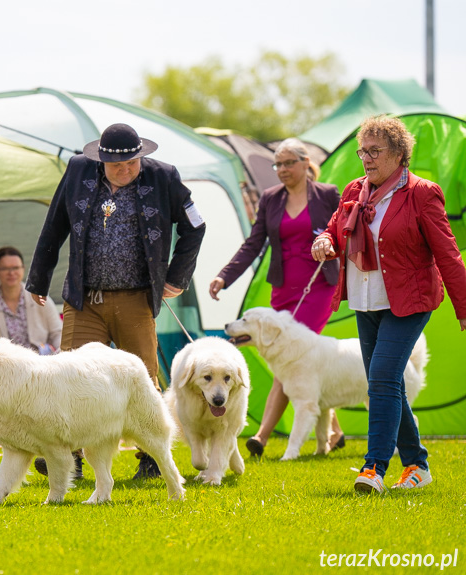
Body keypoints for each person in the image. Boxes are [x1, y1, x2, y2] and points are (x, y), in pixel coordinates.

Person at [27, 123, 206, 479]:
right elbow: (55, 223)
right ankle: (70, 457)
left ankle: (153, 458)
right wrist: (39, 278)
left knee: (143, 378)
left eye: (132, 164)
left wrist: (176, 277)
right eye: (116, 166)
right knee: (71, 377)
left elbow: (194, 226)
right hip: (84, 298)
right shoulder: (78, 169)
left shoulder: (164, 177)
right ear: (100, 159)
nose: (125, 171)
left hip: (136, 297)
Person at [312, 116, 466, 493]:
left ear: (399, 154)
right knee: (387, 382)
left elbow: (447, 254)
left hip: (410, 301)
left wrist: (464, 307)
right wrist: (325, 242)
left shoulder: (422, 193)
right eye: (362, 150)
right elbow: (335, 228)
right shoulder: (354, 190)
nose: (366, 157)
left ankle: (373, 469)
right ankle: (417, 465)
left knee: (380, 379)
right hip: (366, 300)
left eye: (375, 151)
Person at [209, 138, 345, 457]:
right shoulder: (270, 198)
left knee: (290, 361)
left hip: (318, 286)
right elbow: (254, 243)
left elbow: (343, 233)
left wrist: (332, 250)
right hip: (284, 290)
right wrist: (224, 276)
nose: (281, 170)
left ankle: (262, 436)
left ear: (304, 162)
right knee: (300, 364)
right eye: (277, 165)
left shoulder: (327, 195)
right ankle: (335, 431)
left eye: (287, 163)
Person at [0, 246, 62, 354]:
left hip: (41, 363)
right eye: (5, 268)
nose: (11, 273)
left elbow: (58, 333)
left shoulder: (39, 297)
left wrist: (60, 355)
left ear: (23, 269)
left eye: (15, 267)